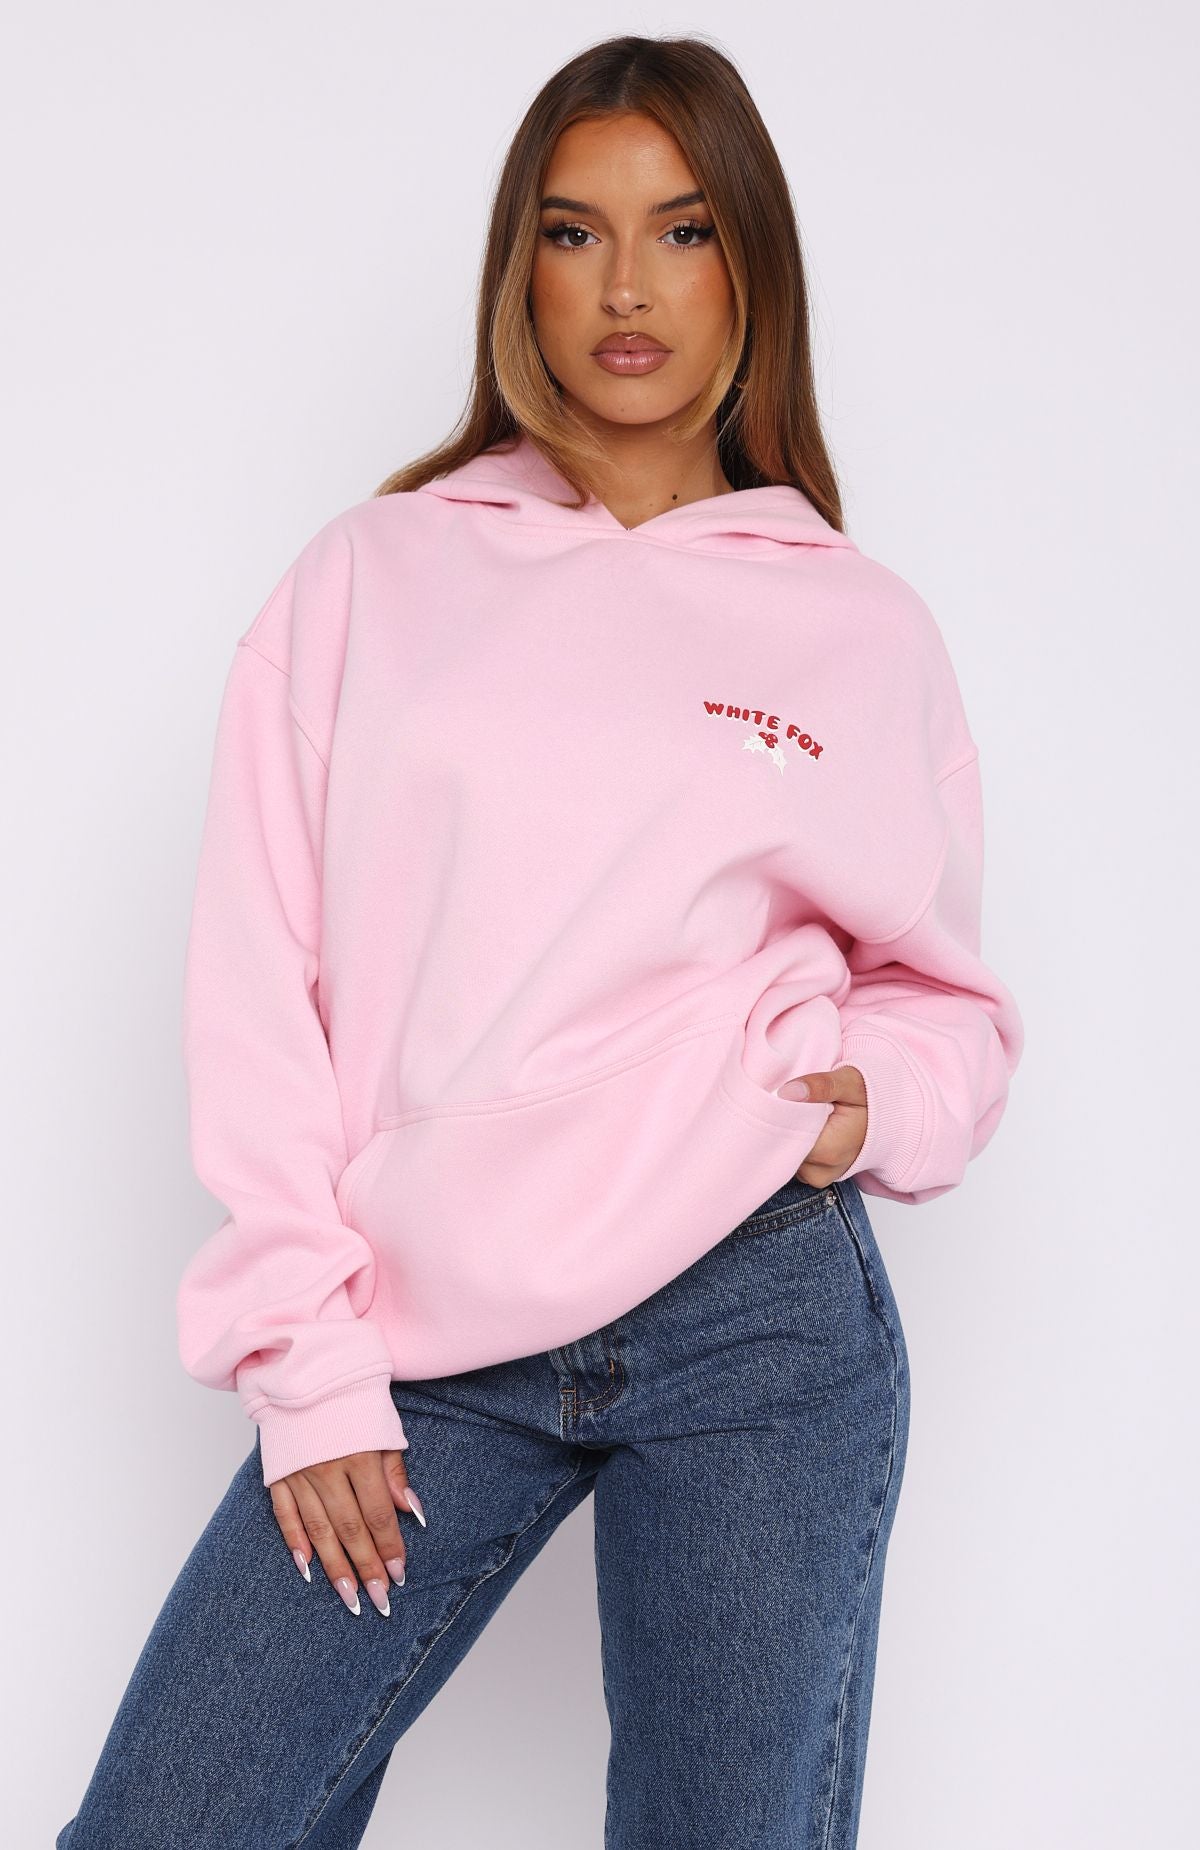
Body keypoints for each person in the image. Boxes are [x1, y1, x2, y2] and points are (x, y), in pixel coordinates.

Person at [56, 31, 1024, 1850]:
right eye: (576, 232)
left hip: (753, 1310)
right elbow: (261, 989)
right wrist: (309, 1363)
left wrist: (867, 1104)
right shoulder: (372, 576)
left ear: (750, 265)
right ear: (523, 268)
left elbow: (945, 997)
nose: (627, 285)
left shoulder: (858, 627)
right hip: (422, 1320)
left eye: (682, 230)